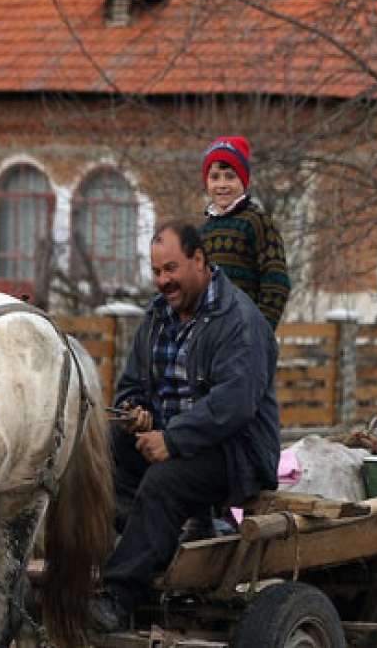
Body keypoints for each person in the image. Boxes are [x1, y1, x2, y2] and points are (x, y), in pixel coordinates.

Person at [89, 218, 281, 633]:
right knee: (102, 448)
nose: (163, 281)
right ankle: (144, 540)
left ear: (199, 260)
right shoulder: (157, 318)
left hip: (236, 454)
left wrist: (172, 440)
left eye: (171, 269)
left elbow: (235, 404)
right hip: (174, 443)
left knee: (164, 483)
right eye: (157, 272)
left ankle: (119, 596)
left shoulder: (239, 321)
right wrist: (134, 409)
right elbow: (131, 385)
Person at [199, 136, 290, 329]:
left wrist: (260, 330)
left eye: (230, 176)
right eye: (215, 177)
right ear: (206, 182)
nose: (222, 184)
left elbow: (276, 282)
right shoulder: (204, 231)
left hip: (245, 334)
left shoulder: (257, 222)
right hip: (209, 335)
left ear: (243, 180)